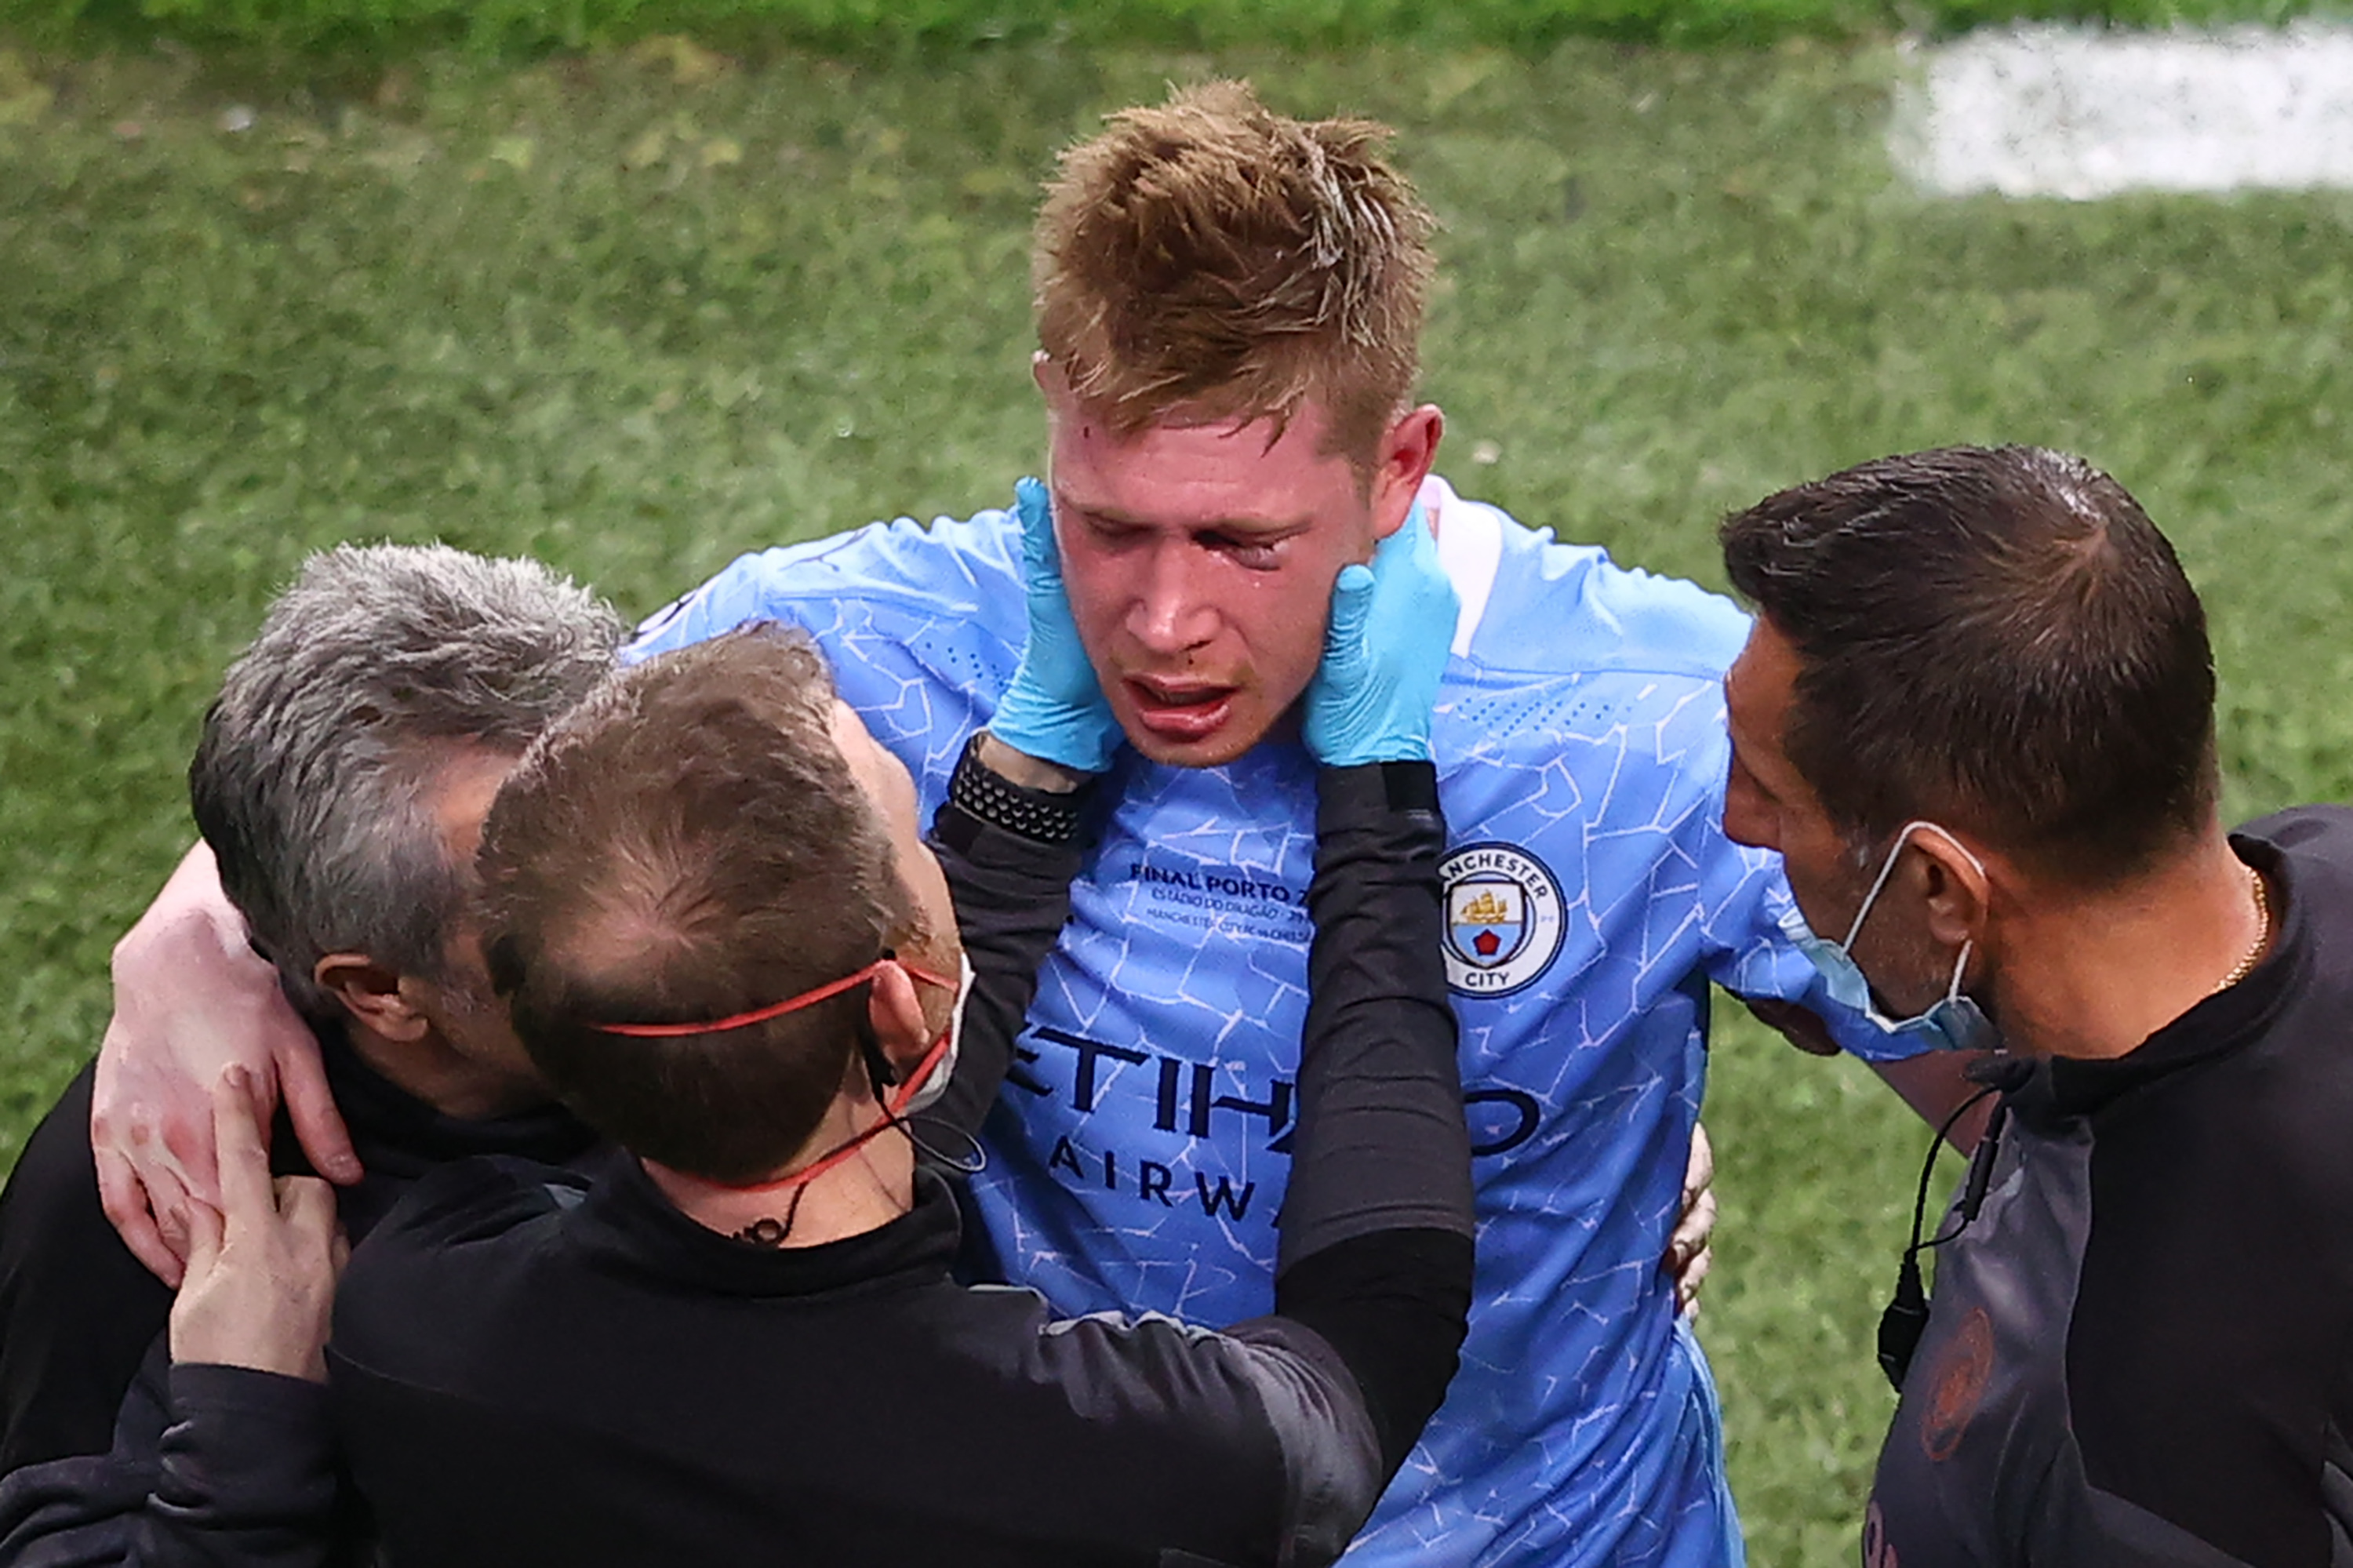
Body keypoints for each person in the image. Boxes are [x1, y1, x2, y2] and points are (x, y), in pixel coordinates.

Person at [92, 83, 1950, 1564]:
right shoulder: (851, 657)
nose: (1161, 619)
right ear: (1055, 410)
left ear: (1399, 465)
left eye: (1242, 542)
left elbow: (2026, 1051)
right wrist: (192, 936)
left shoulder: (1656, 713)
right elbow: (445, 783)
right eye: (1110, 521)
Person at [328, 508, 1471, 1564]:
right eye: (914, 828)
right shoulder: (1134, 1457)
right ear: (894, 1001)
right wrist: (1379, 802)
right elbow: (1378, 1335)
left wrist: (1034, 772)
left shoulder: (414, 1310)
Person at [1717, 444, 2353, 1566]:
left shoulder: (2133, 1452)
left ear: (1940, 888)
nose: (1736, 826)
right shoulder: (2319, 867)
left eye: (1769, 792)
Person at [0, 544, 620, 1560]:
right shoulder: (155, 1189)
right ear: (377, 989)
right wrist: (244, 1441)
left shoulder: (712, 969)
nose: (663, 907)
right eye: (553, 899)